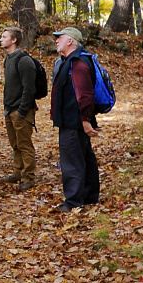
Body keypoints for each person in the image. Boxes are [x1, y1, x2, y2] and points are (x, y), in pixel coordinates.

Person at [51, 26, 100, 212]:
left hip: (73, 121)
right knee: (85, 158)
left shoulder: (78, 63)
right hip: (73, 120)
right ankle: (89, 196)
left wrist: (86, 121)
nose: (56, 40)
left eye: (60, 37)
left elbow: (85, 95)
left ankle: (73, 202)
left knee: (72, 162)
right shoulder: (72, 61)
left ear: (70, 41)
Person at [0, 25, 38, 191]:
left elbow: (29, 89)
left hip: (21, 110)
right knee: (15, 144)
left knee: (24, 144)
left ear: (14, 39)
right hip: (10, 109)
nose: (1, 39)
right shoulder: (7, 59)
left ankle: (28, 177)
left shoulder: (24, 61)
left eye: (4, 36)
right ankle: (17, 172)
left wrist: (22, 110)